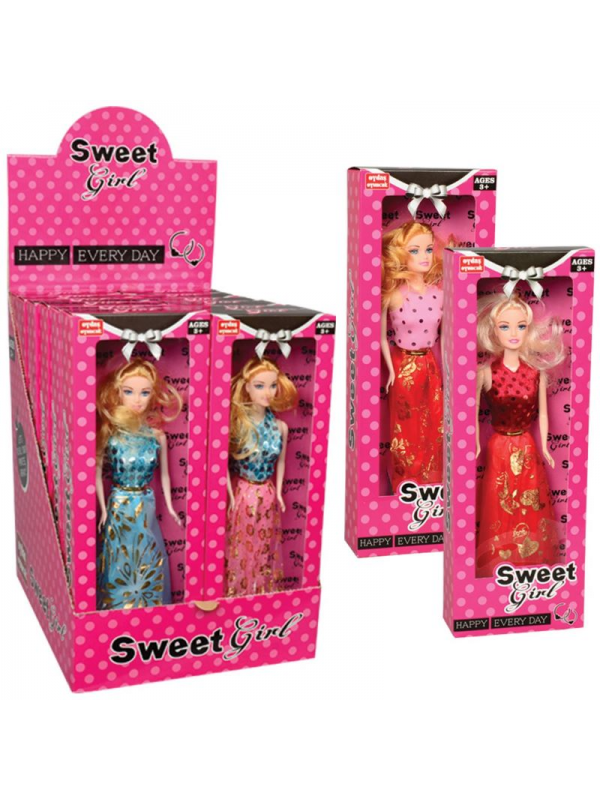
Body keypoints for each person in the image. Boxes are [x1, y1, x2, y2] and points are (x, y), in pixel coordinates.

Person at [475, 293, 564, 577]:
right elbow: (472, 413)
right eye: (505, 326)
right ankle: (500, 566)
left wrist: (546, 447)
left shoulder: (536, 373)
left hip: (526, 446)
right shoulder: (486, 372)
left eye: (521, 326)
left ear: (529, 329)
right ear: (493, 330)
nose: (513, 333)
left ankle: (529, 566)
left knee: (529, 503)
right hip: (498, 446)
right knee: (499, 503)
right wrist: (475, 445)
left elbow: (544, 414)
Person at [96, 357, 182, 609]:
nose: (137, 400)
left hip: (145, 504)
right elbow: (96, 471)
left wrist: (170, 506)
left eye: (144, 393)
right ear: (117, 393)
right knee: (119, 558)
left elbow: (165, 476)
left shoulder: (157, 436)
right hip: (119, 505)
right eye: (129, 392)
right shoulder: (111, 434)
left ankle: (147, 608)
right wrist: (103, 510)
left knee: (147, 555)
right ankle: (116, 609)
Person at [225, 357, 298, 597]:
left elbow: (282, 462)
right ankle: (236, 594)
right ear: (247, 387)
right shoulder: (237, 424)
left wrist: (279, 493)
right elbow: (220, 461)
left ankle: (260, 594)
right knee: (240, 546)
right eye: (259, 386)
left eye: (272, 385)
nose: (268, 392)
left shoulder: (280, 427)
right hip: (243, 492)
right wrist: (230, 494)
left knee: (264, 547)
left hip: (267, 494)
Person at [381, 221, 444, 491]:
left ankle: (432, 486)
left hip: (430, 364)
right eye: (415, 250)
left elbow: (446, 337)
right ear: (400, 253)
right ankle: (405, 485)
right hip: (403, 365)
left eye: (428, 249)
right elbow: (381, 337)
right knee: (405, 428)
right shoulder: (394, 295)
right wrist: (391, 371)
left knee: (434, 425)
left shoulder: (440, 295)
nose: (424, 256)